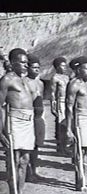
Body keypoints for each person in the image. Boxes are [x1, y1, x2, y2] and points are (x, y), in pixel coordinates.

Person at [0, 48, 37, 194]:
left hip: (28, 123)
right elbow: (0, 107)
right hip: (14, 121)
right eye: (22, 62)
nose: (25, 65)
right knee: (13, 162)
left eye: (26, 63)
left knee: (25, 160)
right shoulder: (6, 80)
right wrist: (1, 131)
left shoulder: (25, 80)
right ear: (13, 62)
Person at [65, 56, 87, 191]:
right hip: (80, 119)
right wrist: (68, 128)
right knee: (80, 150)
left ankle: (84, 178)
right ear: (78, 70)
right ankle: (79, 182)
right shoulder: (74, 84)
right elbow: (68, 107)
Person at [24, 54, 45, 182]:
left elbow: (40, 100)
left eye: (38, 67)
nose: (36, 70)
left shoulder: (40, 83)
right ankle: (27, 173)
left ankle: (34, 170)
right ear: (28, 68)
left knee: (36, 145)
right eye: (34, 67)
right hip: (28, 117)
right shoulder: (24, 82)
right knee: (27, 145)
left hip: (38, 117)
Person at [50, 57, 70, 154]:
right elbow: (53, 93)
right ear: (57, 67)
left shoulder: (67, 77)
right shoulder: (55, 78)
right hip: (60, 101)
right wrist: (53, 106)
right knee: (61, 125)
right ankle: (60, 147)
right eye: (62, 65)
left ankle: (65, 145)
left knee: (67, 124)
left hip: (67, 102)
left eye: (65, 65)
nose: (65, 67)